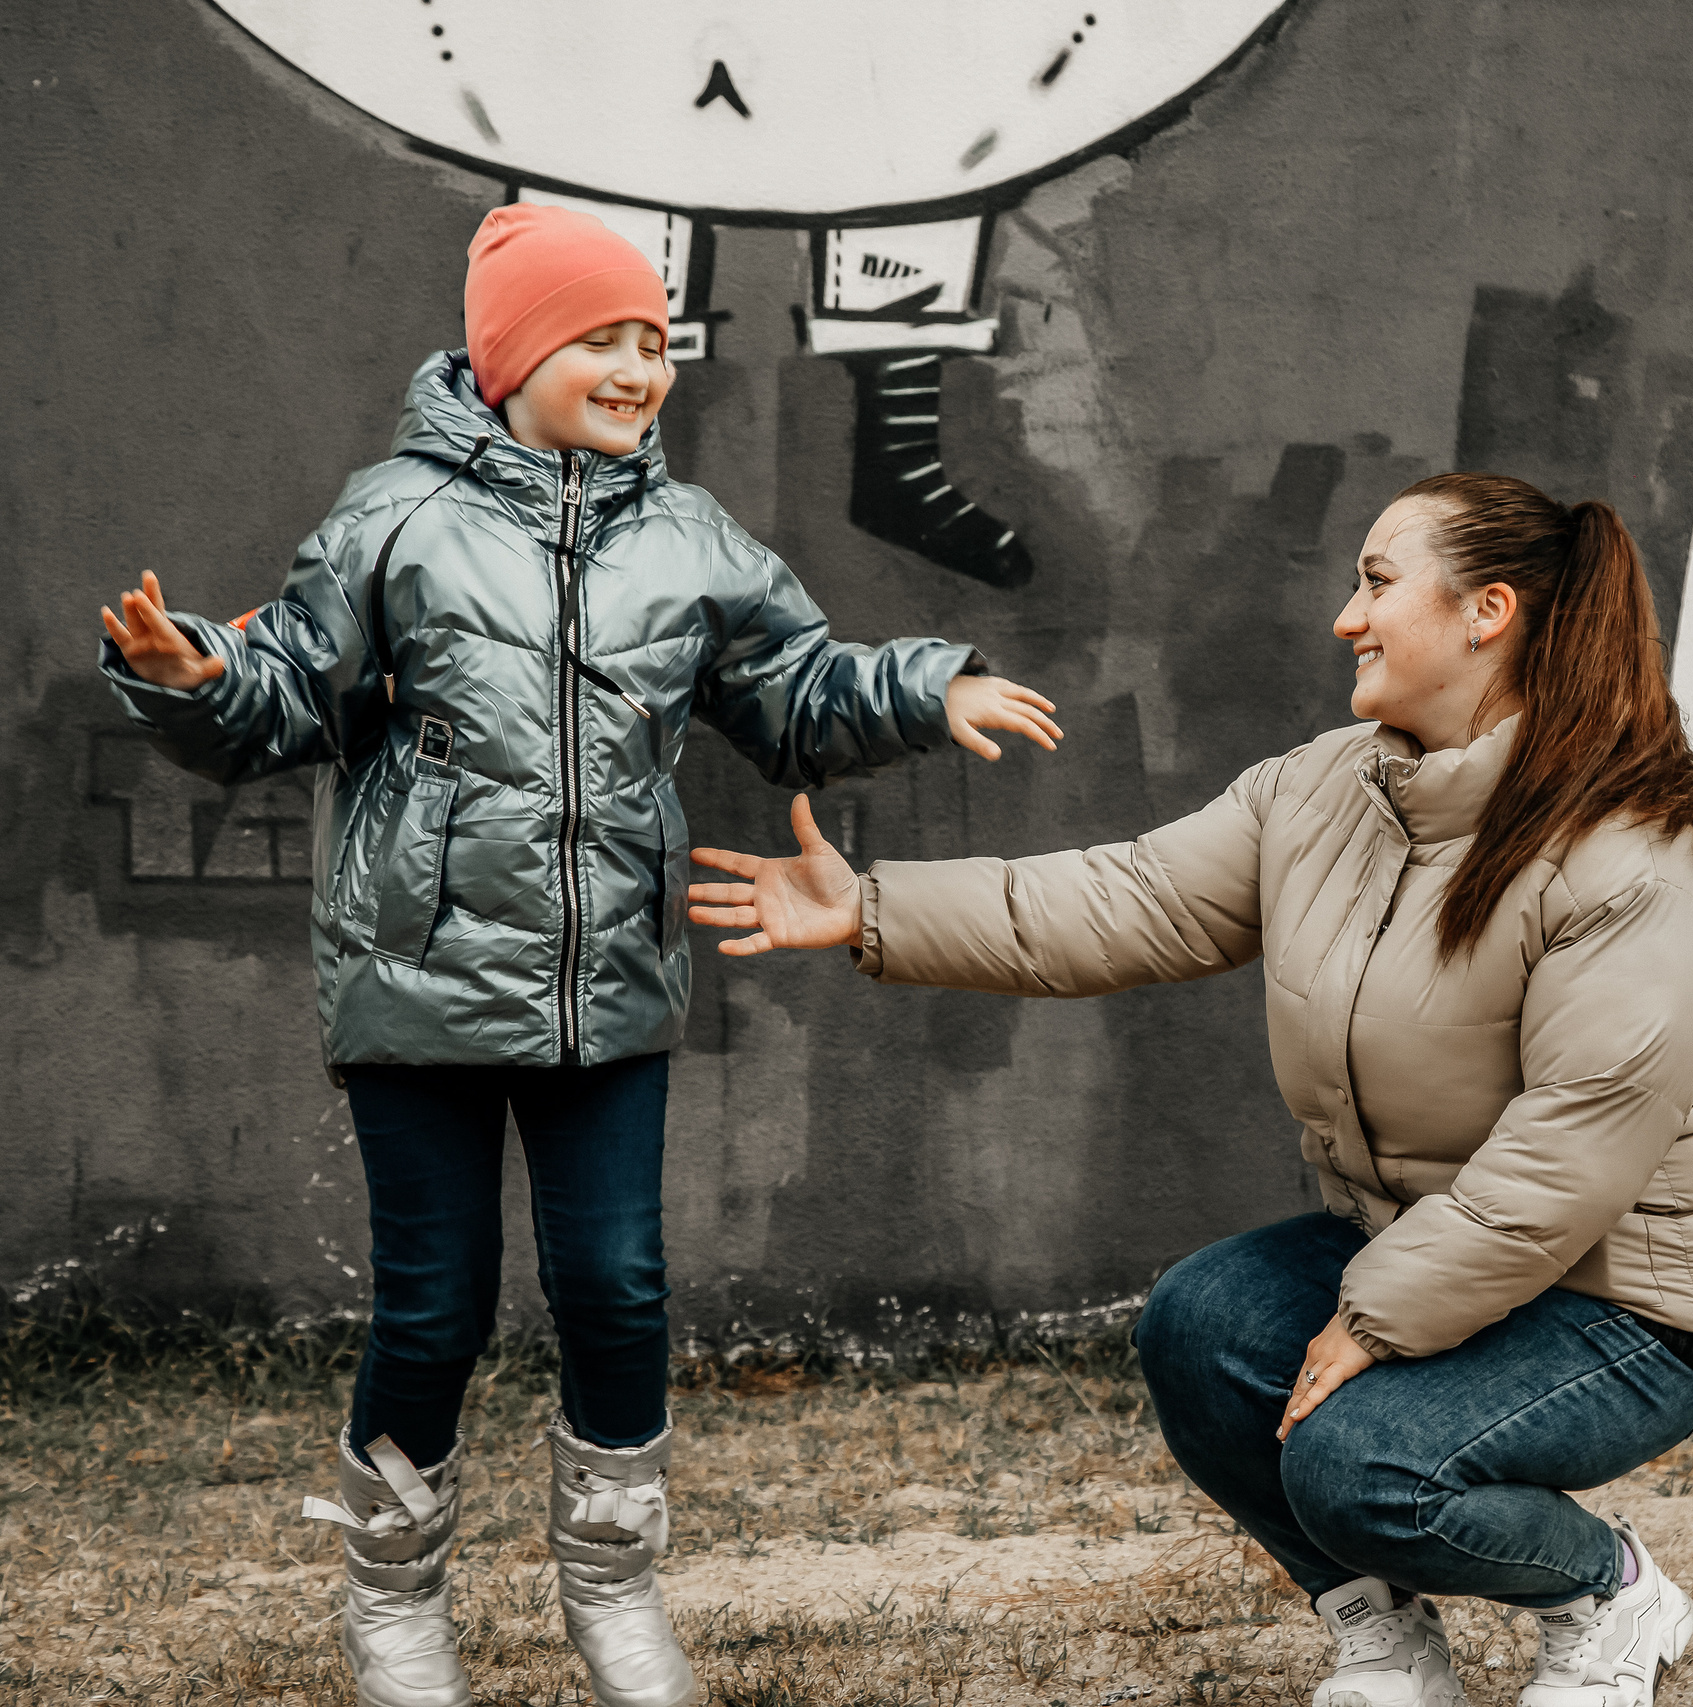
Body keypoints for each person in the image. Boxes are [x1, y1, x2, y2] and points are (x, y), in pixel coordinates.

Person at [93, 204, 1061, 1707]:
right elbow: (285, 687)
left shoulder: (690, 540)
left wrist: (928, 684)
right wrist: (192, 674)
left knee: (616, 1284)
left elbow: (798, 689)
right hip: (414, 989)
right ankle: (394, 1603)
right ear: (510, 357)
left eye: (652, 340)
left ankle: (614, 1588)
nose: (635, 367)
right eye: (597, 338)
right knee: (439, 1304)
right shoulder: (391, 518)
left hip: (608, 987)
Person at [688, 472, 1693, 1707]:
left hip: (1624, 1300)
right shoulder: (1327, 790)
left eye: (1374, 583)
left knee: (1360, 1467)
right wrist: (873, 908)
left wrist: (1369, 1320)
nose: (1343, 620)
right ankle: (1386, 1635)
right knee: (1198, 1326)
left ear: (1489, 611)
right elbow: (1125, 900)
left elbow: (1572, 1151)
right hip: (1432, 1248)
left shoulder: (1629, 854)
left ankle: (1608, 1591)